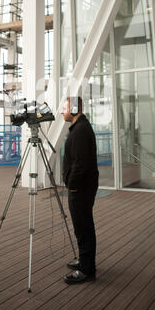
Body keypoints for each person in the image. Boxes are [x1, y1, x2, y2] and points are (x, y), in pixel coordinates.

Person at [61, 96, 99, 284]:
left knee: (83, 228)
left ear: (74, 109)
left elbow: (80, 164)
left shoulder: (81, 130)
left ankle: (86, 269)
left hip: (80, 189)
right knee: (81, 227)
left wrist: (72, 184)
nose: (62, 111)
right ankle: (85, 261)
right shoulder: (80, 127)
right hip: (81, 187)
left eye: (65, 107)